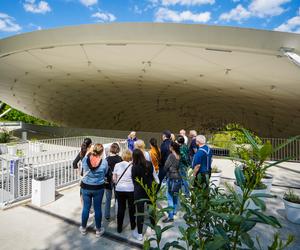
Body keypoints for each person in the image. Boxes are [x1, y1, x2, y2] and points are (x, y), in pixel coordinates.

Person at [79, 143, 108, 237]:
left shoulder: (85, 160)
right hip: (98, 188)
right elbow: (105, 172)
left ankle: (83, 228)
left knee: (86, 208)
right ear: (102, 152)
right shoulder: (104, 162)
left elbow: (82, 171)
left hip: (86, 187)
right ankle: (98, 230)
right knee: (98, 208)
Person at [131, 149, 155, 241]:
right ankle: (153, 228)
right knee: (151, 210)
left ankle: (140, 233)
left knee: (140, 213)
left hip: (139, 191)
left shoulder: (134, 167)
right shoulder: (149, 163)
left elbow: (134, 180)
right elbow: (152, 175)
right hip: (149, 189)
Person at [113, 149, 135, 233]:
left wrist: (117, 183)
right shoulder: (132, 166)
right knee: (131, 208)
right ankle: (133, 225)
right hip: (130, 189)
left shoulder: (117, 165)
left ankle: (119, 227)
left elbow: (114, 179)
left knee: (121, 208)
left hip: (119, 189)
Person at [163, 141, 182, 223]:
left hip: (171, 177)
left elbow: (166, 166)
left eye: (170, 146)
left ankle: (170, 217)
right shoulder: (179, 156)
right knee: (175, 195)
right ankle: (173, 211)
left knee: (169, 196)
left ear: (172, 148)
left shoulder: (171, 156)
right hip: (178, 177)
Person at [104, 143, 122, 221]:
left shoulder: (106, 159)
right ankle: (117, 214)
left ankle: (107, 215)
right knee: (117, 199)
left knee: (108, 198)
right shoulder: (120, 159)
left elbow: (104, 171)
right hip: (117, 180)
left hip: (108, 180)